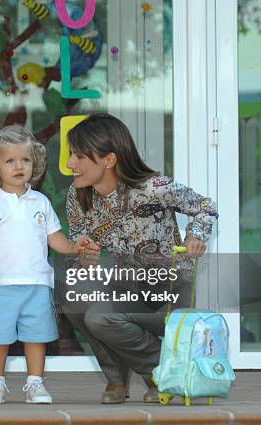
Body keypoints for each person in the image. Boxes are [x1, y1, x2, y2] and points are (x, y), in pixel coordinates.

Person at [63, 113, 218, 404]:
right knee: (75, 297)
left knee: (100, 317)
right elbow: (78, 249)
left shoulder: (154, 187)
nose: (71, 164)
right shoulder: (77, 195)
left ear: (108, 160)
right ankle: (133, 377)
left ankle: (164, 373)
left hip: (168, 291)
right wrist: (85, 258)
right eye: (72, 154)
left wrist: (196, 235)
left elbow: (206, 207)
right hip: (127, 288)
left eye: (80, 156)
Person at [0, 125, 92, 404]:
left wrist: (72, 247)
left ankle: (36, 383)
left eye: (25, 160)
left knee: (35, 338)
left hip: (37, 283)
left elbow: (54, 237)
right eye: (9, 161)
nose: (18, 166)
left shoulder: (41, 202)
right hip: (0, 285)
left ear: (34, 164)